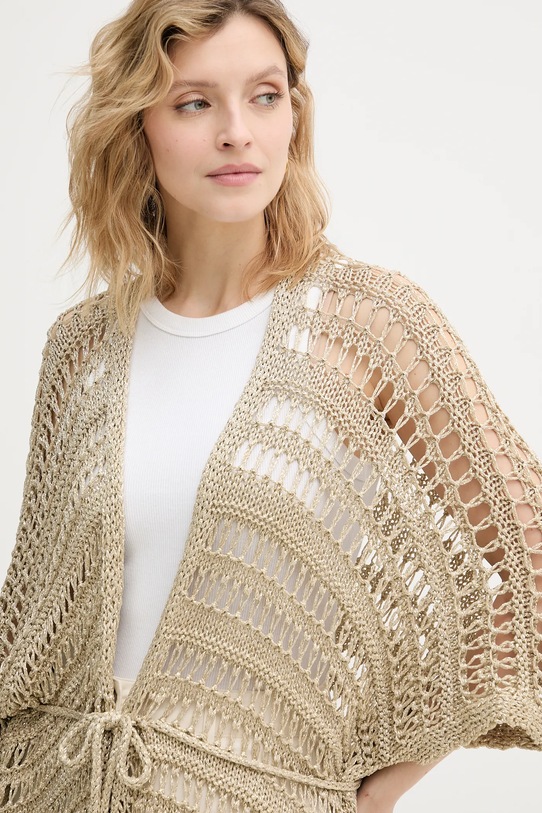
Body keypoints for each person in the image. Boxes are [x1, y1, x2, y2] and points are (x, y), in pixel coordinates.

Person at [0, 1, 541, 812]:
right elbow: (31, 629)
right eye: (194, 103)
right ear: (138, 124)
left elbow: (529, 560)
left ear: (294, 114)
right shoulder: (82, 348)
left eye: (264, 95)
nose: (237, 132)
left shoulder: (368, 325)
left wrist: (383, 784)